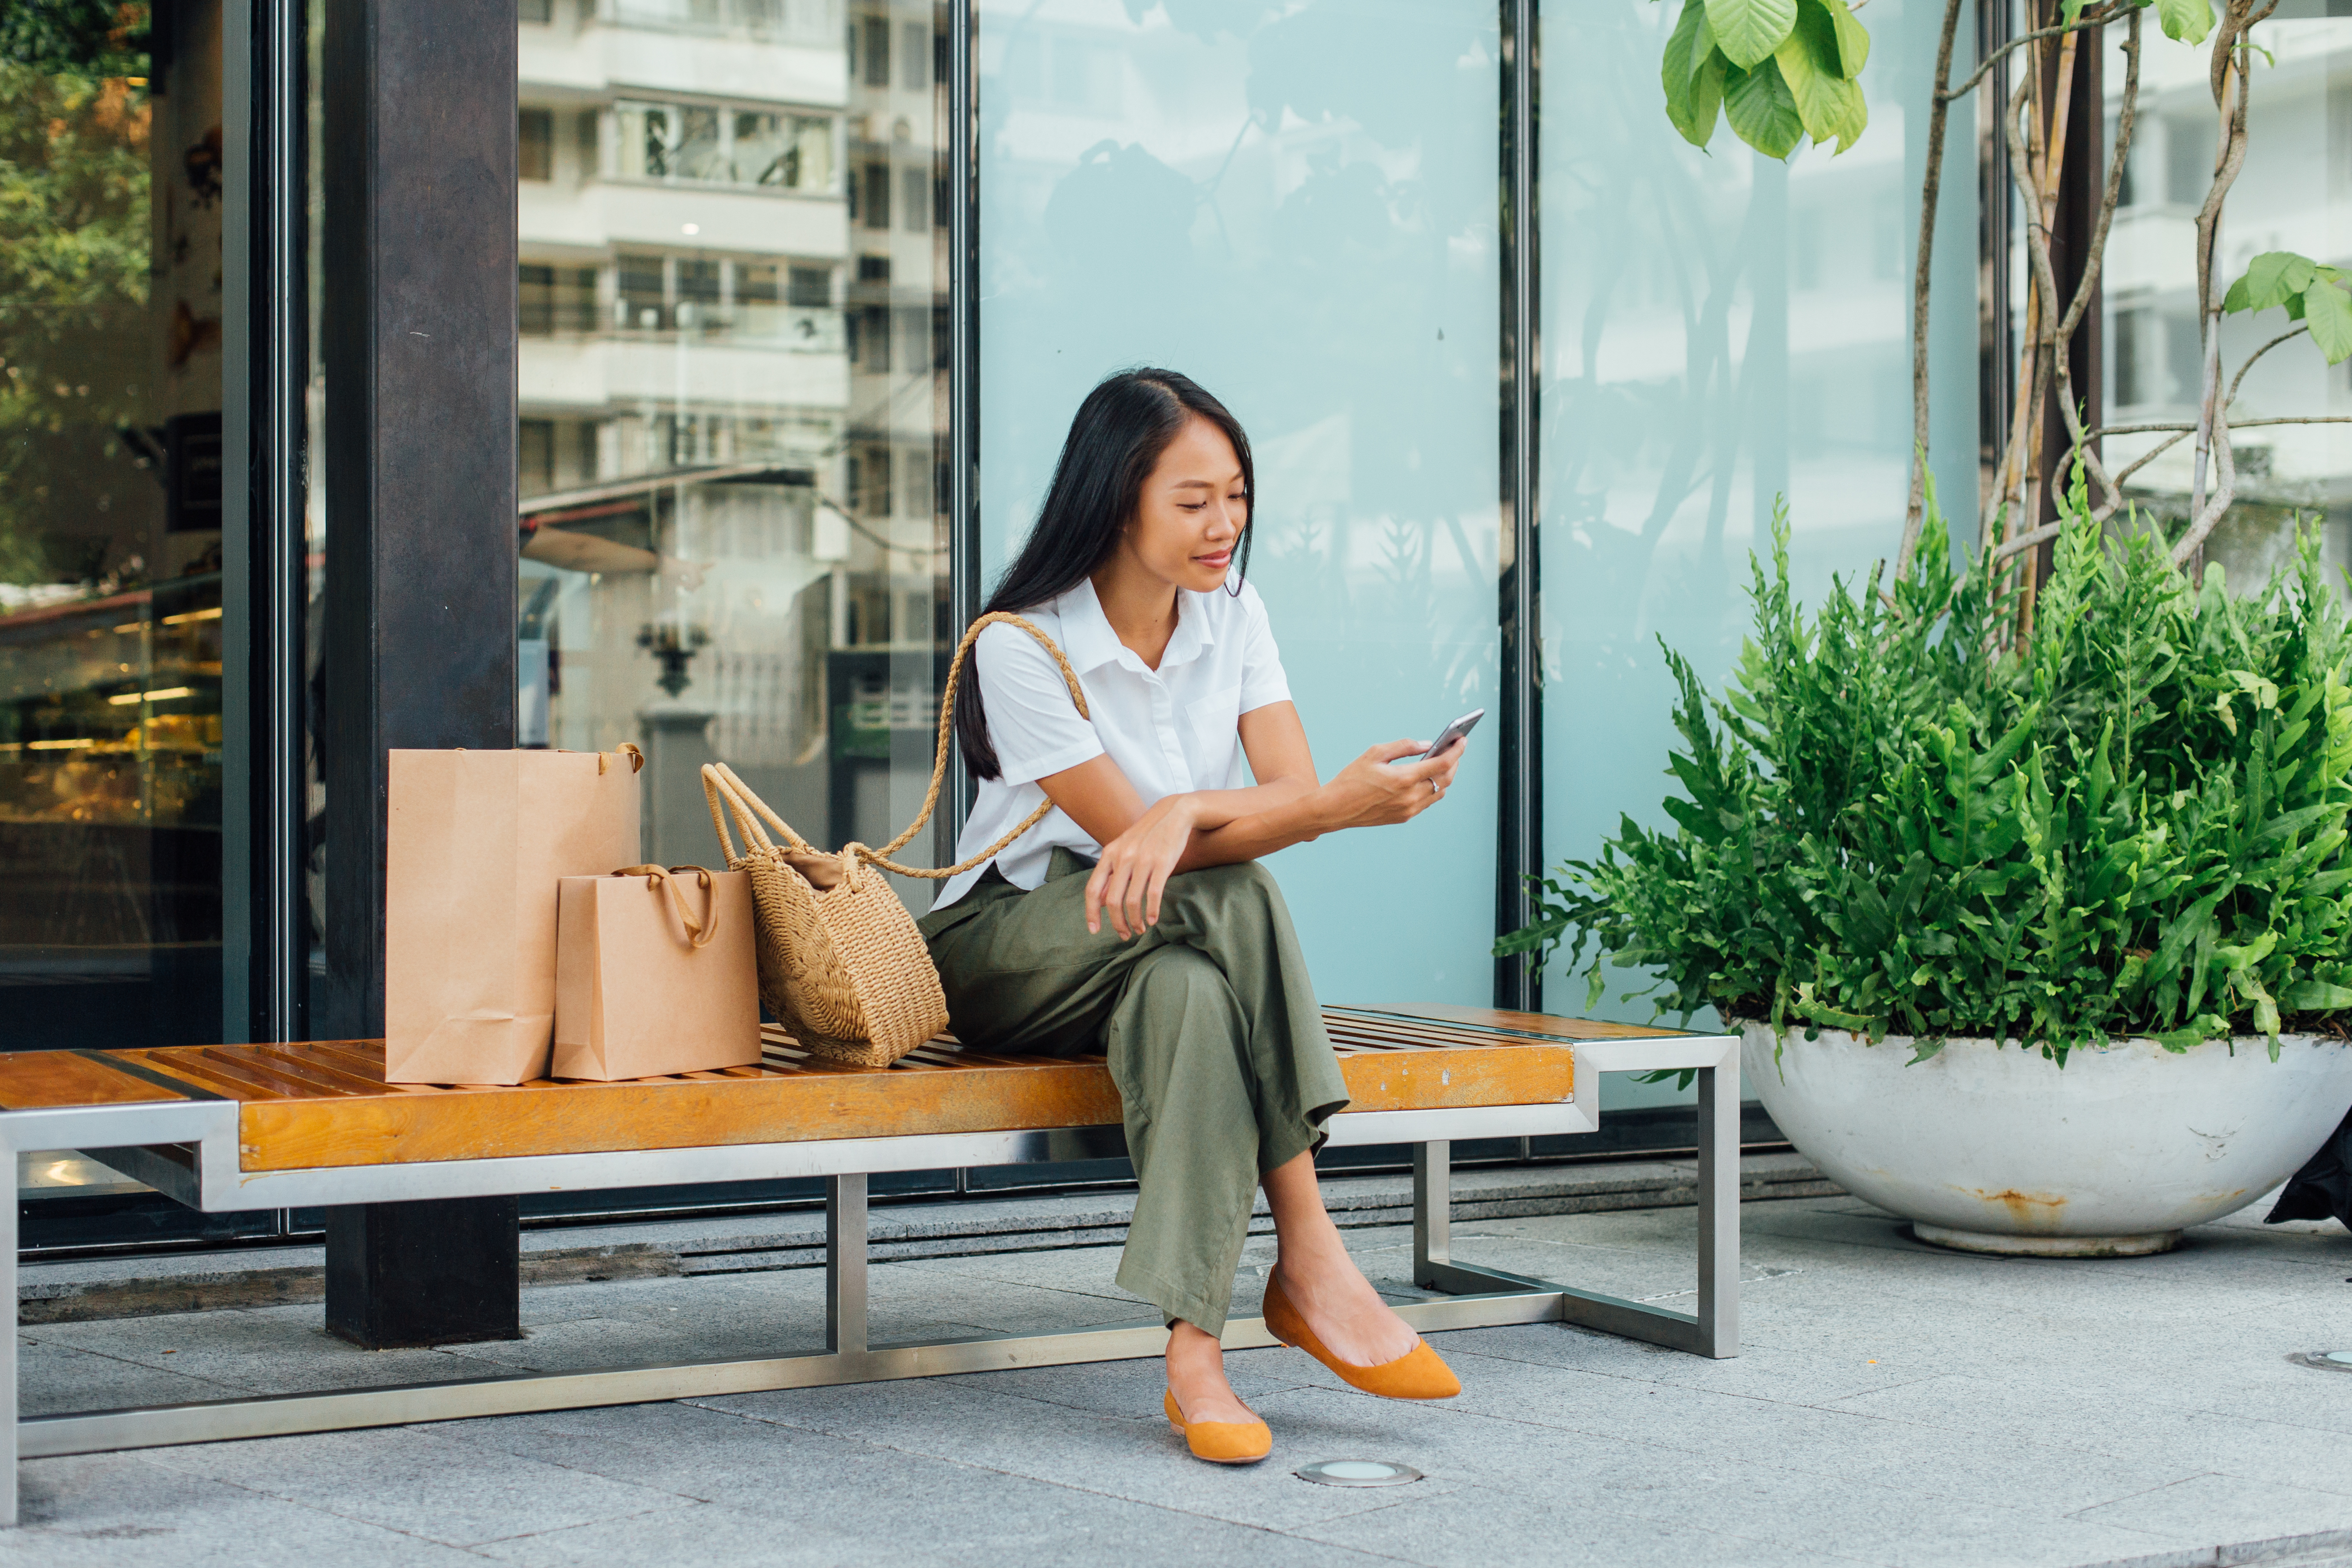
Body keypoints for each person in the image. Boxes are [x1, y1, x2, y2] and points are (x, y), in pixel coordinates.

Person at [917, 369, 1468, 1466]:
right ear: (1117, 500)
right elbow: (1156, 850)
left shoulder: (1234, 613)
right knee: (1227, 888)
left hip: (1149, 949)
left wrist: (1196, 807)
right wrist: (1238, 816)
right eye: (1192, 500)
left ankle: (1194, 1359)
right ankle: (1310, 1249)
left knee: (1192, 995)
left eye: (1237, 494)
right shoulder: (1019, 645)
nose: (1226, 525)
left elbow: (1285, 790)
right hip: (1006, 947)